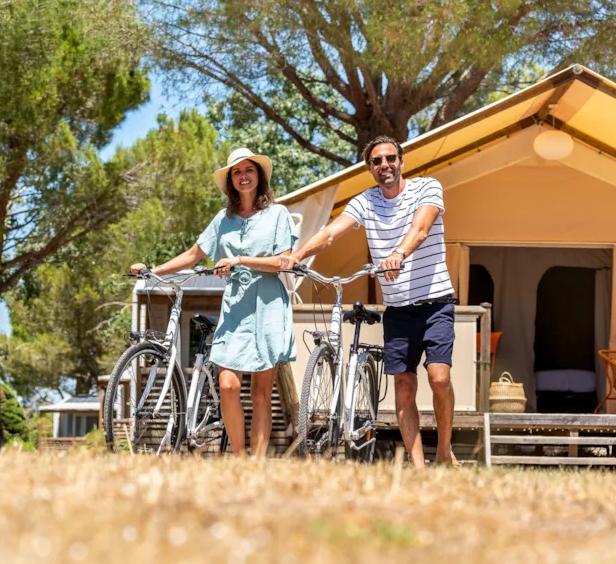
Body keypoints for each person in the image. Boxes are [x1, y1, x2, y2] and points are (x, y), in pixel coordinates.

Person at [279, 135, 457, 468]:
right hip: (398, 310)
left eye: (391, 158)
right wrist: (298, 254)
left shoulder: (427, 188)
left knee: (439, 379)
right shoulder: (366, 201)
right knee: (403, 385)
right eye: (377, 161)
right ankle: (418, 468)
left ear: (401, 161)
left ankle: (445, 451)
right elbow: (332, 232)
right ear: (370, 168)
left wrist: (398, 254)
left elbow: (421, 228)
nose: (385, 165)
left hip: (436, 303)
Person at [130, 148, 298, 458]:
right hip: (235, 306)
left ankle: (255, 466)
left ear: (259, 176)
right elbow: (194, 255)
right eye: (236, 172)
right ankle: (238, 457)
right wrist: (154, 271)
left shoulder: (278, 214)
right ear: (231, 180)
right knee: (228, 386)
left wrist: (239, 260)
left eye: (249, 170)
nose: (243, 176)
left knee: (261, 394)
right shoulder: (224, 219)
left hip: (269, 303)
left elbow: (284, 261)